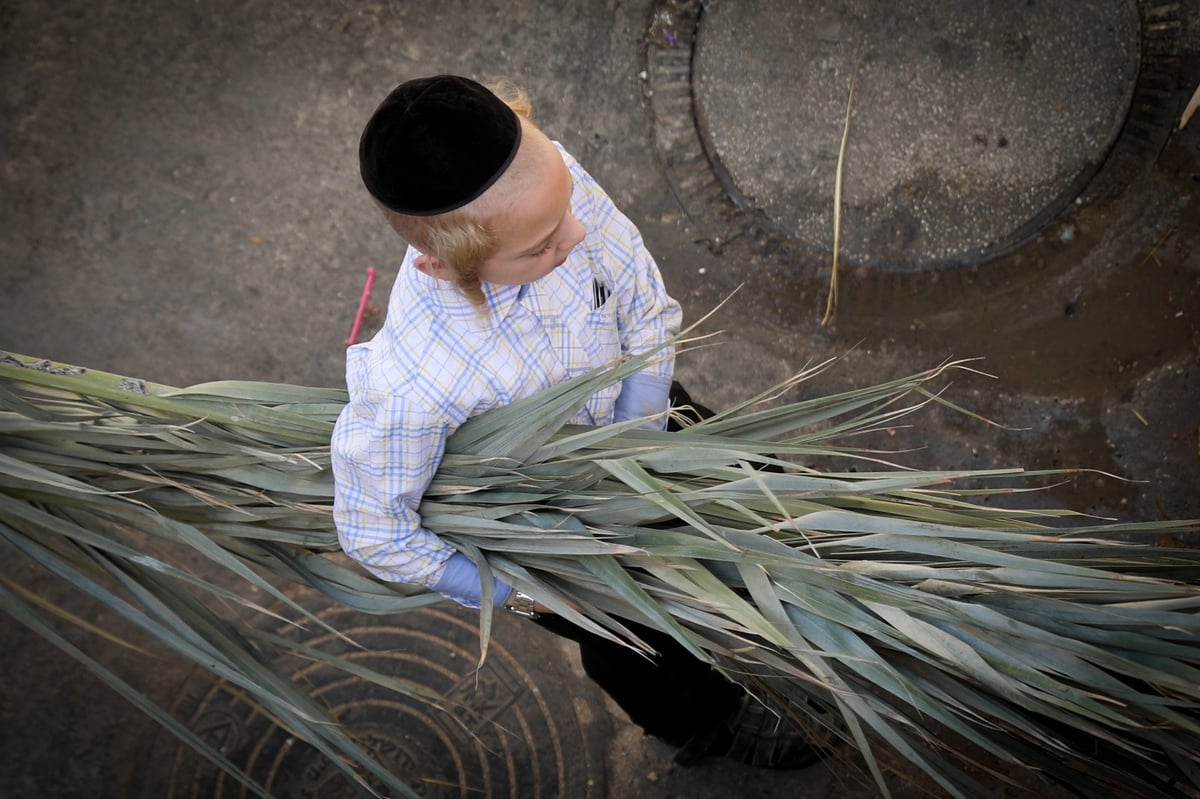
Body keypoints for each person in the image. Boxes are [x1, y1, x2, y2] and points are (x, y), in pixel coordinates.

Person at [331, 74, 819, 769]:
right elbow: (374, 530)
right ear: (445, 266)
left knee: (749, 503)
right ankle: (709, 719)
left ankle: (799, 602)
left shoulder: (547, 191)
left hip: (644, 417)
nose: (578, 230)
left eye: (567, 205)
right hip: (565, 531)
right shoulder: (415, 380)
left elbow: (644, 303)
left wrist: (642, 433)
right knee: (643, 640)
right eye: (540, 247)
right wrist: (526, 594)